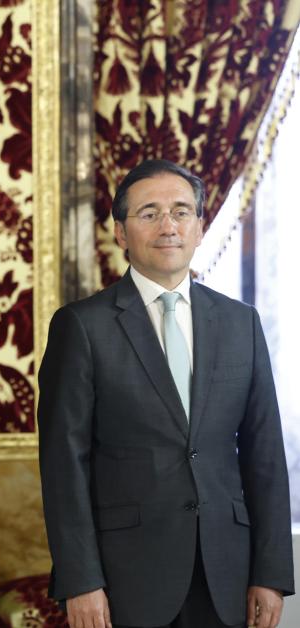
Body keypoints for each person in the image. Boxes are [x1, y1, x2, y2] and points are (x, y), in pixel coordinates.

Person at [38, 159, 294, 628]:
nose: (168, 226)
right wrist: (80, 581)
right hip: (126, 577)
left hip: (227, 573)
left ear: (199, 226)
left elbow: (266, 457)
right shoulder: (82, 326)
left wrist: (272, 573)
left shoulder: (242, 324)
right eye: (149, 213)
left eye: (181, 211)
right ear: (120, 232)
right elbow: (63, 466)